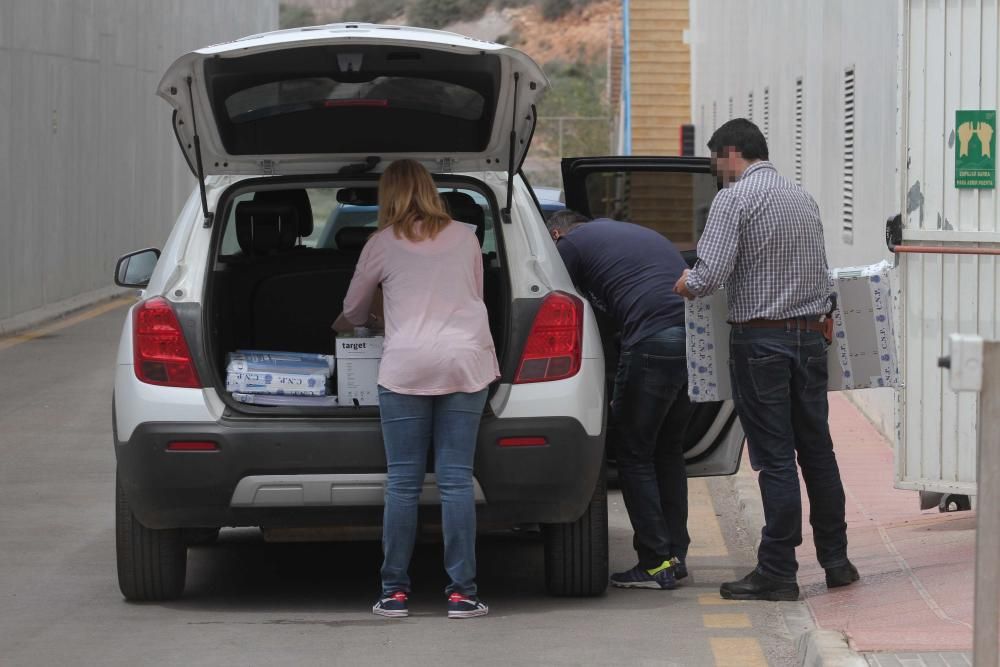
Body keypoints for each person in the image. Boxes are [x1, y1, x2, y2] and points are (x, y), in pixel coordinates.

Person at [674, 118, 859, 601]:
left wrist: (683, 283)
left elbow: (708, 275)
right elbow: (820, 271)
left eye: (717, 159)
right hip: (808, 341)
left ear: (731, 152)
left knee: (775, 460)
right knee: (817, 452)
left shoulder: (733, 200)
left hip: (761, 345)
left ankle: (778, 571)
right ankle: (836, 561)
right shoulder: (802, 198)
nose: (717, 170)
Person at [336, 159, 499, 619]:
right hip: (465, 361)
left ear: (388, 195)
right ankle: (462, 593)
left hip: (406, 365)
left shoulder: (381, 243)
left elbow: (352, 309)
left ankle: (394, 593)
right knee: (454, 481)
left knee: (403, 484)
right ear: (431, 190)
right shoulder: (467, 236)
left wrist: (372, 317)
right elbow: (475, 295)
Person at [546, 210, 694, 590]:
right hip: (693, 338)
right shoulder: (631, 233)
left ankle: (654, 561)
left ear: (557, 233)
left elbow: (555, 298)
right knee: (667, 450)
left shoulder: (571, 245)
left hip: (653, 341)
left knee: (633, 451)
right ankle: (674, 557)